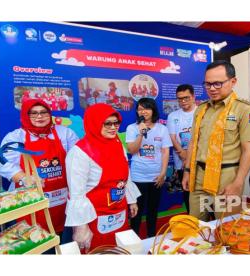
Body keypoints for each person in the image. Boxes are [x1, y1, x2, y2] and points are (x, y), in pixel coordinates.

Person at [181, 60, 250, 221]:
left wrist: (238, 183)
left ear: (233, 81)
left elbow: (249, 149)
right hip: (198, 176)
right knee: (195, 226)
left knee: (226, 228)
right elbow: (193, 143)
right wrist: (187, 171)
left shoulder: (245, 109)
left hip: (227, 178)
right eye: (208, 84)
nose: (212, 89)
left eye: (218, 83)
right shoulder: (201, 109)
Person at [0, 99, 79, 239]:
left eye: (43, 112)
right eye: (33, 113)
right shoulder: (16, 137)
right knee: (34, 239)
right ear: (25, 115)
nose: (39, 117)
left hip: (62, 199)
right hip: (29, 198)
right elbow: (4, 164)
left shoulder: (65, 133)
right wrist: (24, 178)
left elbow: (78, 159)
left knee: (63, 239)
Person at [64, 104, 140, 252]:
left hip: (119, 212)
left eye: (116, 123)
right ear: (95, 123)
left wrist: (131, 200)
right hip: (94, 217)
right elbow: (76, 193)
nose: (113, 127)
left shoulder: (118, 144)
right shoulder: (79, 152)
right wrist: (81, 227)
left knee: (119, 250)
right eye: (107, 123)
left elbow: (126, 177)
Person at [126, 98, 172, 238]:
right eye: (140, 109)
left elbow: (165, 152)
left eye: (146, 108)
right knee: (136, 212)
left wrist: (163, 173)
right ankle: (134, 239)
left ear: (153, 110)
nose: (143, 111)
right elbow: (132, 150)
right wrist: (141, 133)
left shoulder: (162, 129)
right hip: (138, 177)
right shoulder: (132, 128)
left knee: (153, 210)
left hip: (156, 177)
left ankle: (152, 237)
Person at [167, 84, 197, 212]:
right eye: (180, 99)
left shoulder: (201, 112)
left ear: (193, 97)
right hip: (181, 163)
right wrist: (183, 154)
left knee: (203, 198)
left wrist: (190, 157)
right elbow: (172, 138)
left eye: (186, 98)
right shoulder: (173, 116)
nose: (183, 101)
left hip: (199, 162)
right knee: (187, 194)